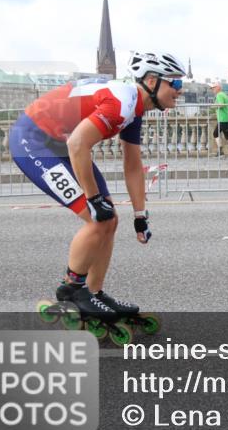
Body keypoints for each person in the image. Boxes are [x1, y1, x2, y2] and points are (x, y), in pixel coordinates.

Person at [11, 51, 186, 332]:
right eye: (175, 84)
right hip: (33, 140)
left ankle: (93, 293)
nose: (181, 91)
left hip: (62, 142)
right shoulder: (122, 102)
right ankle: (71, 291)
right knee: (98, 218)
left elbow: (132, 165)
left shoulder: (135, 108)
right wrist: (93, 200)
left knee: (110, 219)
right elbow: (79, 144)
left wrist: (140, 215)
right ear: (152, 81)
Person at [212, 82, 228, 155]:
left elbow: (221, 105)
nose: (212, 89)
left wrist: (214, 106)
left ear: (218, 88)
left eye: (213, 88)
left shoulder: (219, 95)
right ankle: (220, 150)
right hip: (225, 118)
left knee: (227, 136)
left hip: (223, 118)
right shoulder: (224, 94)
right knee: (217, 134)